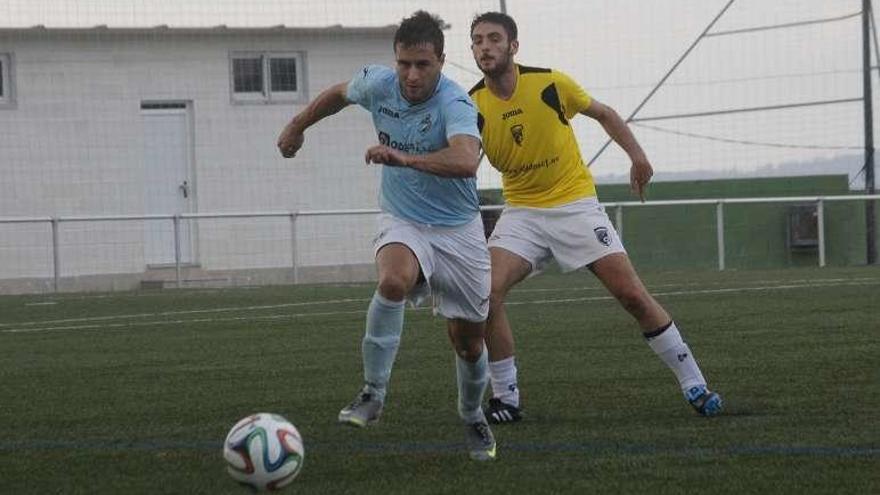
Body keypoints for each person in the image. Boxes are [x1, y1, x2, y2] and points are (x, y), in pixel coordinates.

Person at [467, 12, 723, 424]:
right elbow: (465, 163)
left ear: (513, 46)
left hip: (575, 206)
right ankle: (506, 399)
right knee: (484, 293)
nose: (485, 47)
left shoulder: (551, 82)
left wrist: (638, 157)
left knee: (633, 296)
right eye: (478, 40)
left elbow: (604, 113)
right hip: (522, 215)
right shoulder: (471, 104)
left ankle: (695, 384)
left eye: (494, 39)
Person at [277, 10, 496, 461]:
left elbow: (465, 162)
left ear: (441, 61)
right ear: (394, 61)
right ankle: (373, 393)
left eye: (422, 65)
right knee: (392, 280)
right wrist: (297, 125)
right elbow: (338, 94)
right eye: (404, 64)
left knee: (468, 342)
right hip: (404, 219)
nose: (411, 75)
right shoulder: (379, 85)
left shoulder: (456, 104)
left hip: (459, 232)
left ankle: (473, 415)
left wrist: (402, 158)